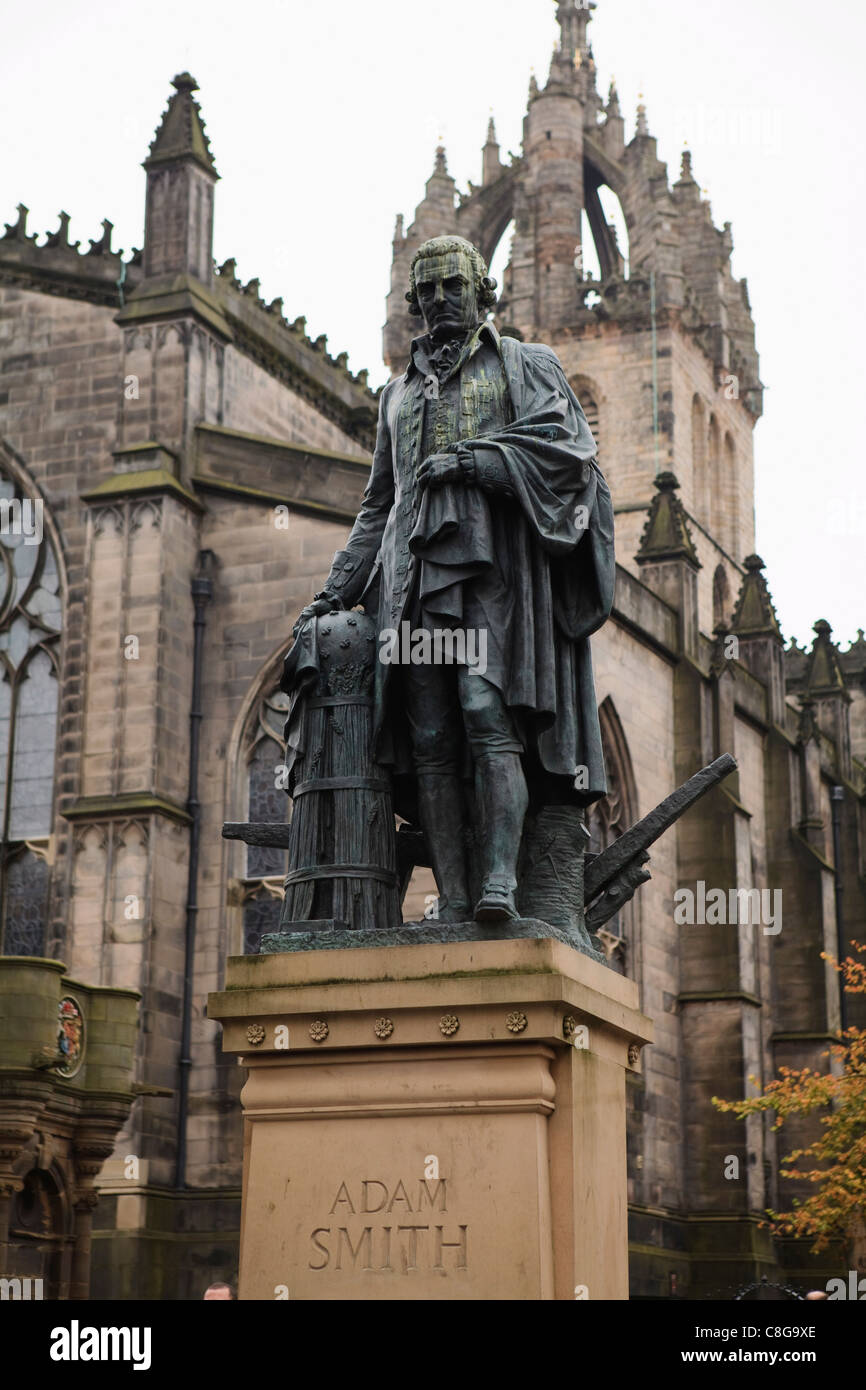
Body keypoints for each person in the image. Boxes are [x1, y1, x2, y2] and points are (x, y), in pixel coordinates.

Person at [293, 236, 614, 924]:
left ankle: (500, 881)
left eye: (452, 286)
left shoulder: (524, 365)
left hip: (493, 580)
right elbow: (378, 503)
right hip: (410, 585)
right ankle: (458, 896)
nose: (439, 300)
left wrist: (477, 464)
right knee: (432, 741)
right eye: (428, 289)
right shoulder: (395, 396)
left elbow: (568, 454)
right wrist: (335, 592)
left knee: (484, 715)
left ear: (481, 291)